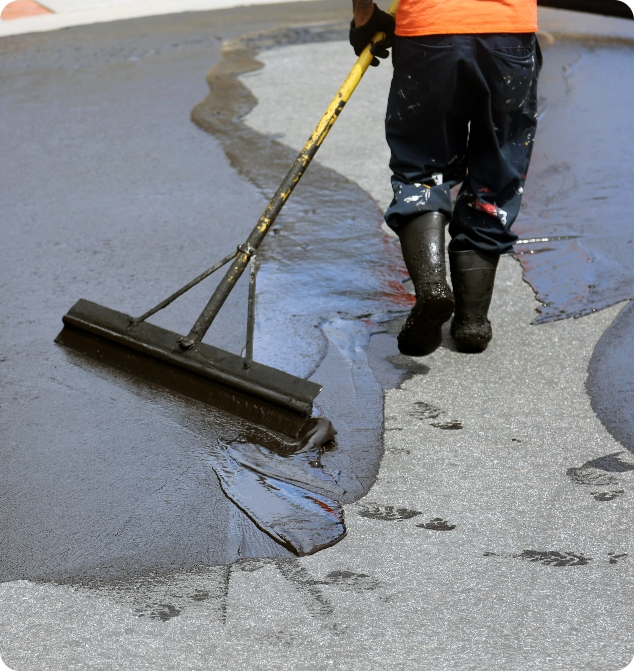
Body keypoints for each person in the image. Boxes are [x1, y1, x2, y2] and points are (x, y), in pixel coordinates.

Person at [349, 0, 542, 355]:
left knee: (422, 167)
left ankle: (433, 287)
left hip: (430, 31)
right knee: (497, 171)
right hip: (508, 34)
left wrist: (363, 13)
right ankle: (472, 322)